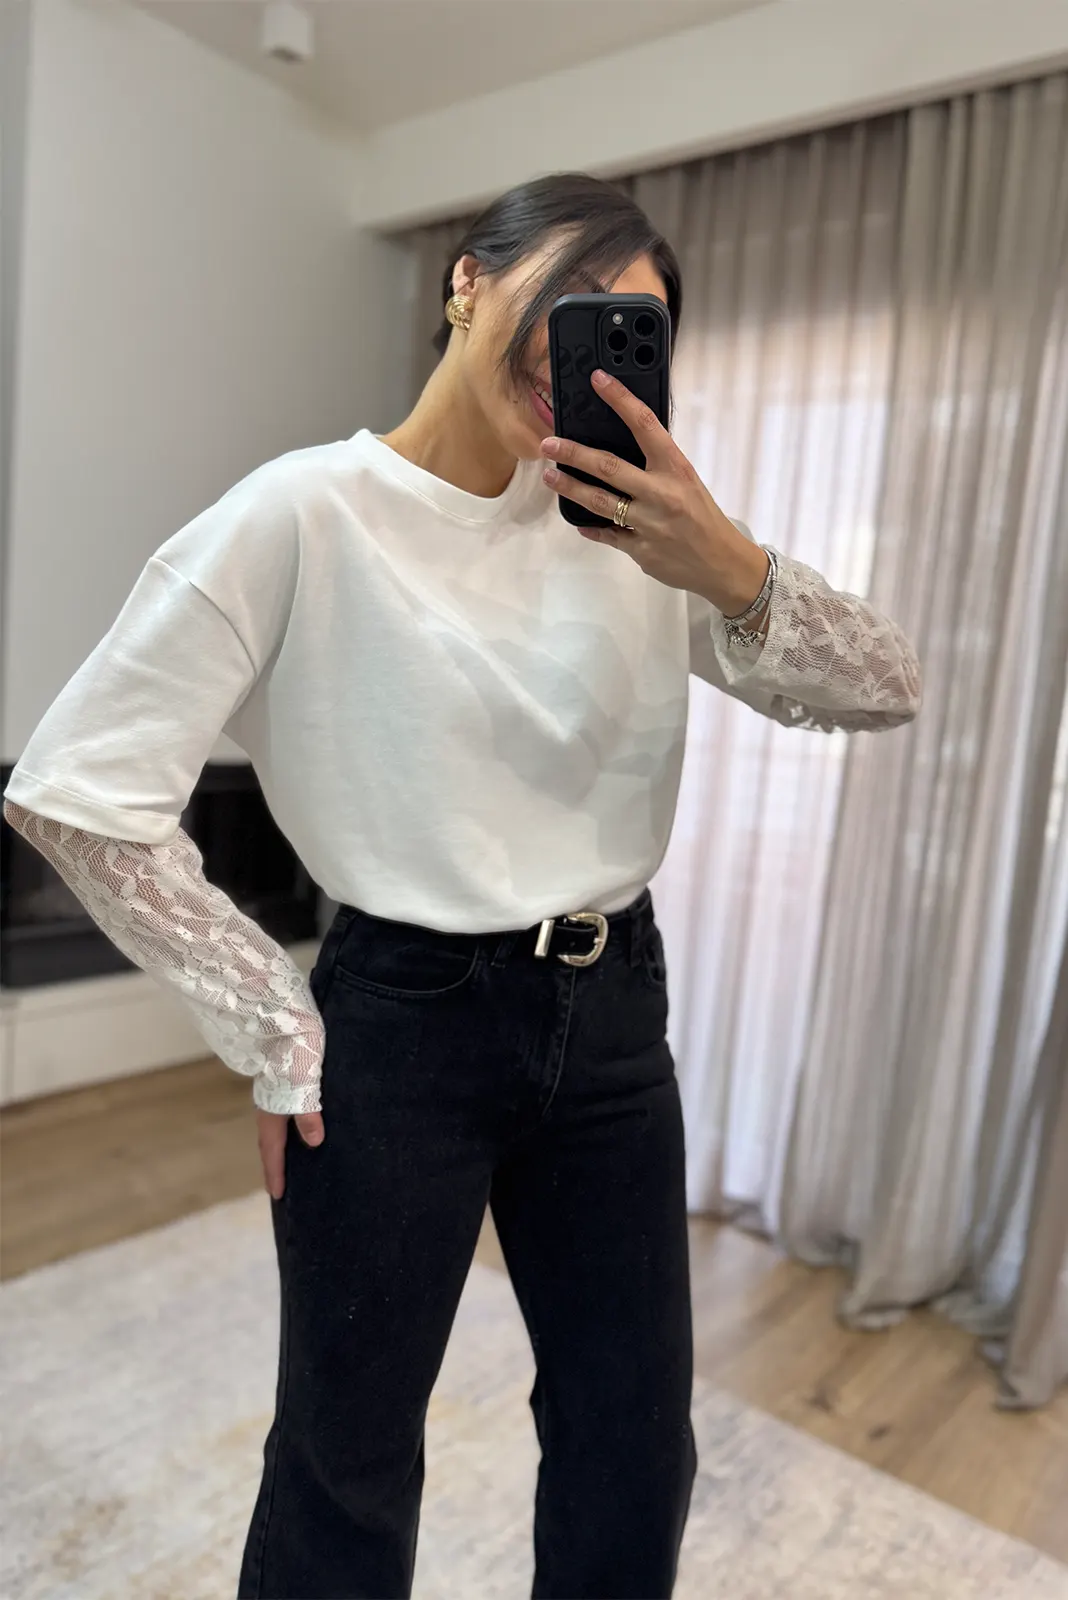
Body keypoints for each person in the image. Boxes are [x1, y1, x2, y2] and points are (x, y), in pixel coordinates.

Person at [3, 173, 920, 1599]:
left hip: (613, 1017)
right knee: (348, 1455)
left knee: (634, 1441)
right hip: (399, 1024)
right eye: (569, 299)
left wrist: (729, 564)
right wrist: (272, 1024)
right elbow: (76, 793)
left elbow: (888, 687)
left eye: (629, 328)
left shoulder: (641, 530)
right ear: (467, 283)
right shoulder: (305, 511)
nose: (583, 352)